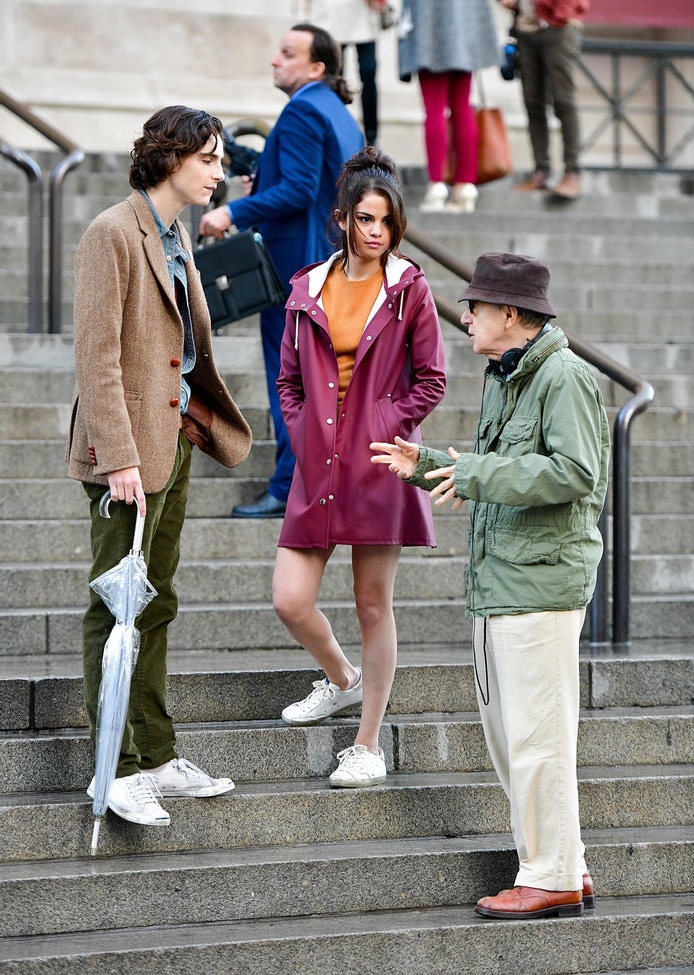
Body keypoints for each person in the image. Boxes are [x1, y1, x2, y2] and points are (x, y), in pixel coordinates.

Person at [371, 252, 610, 916]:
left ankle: (550, 872)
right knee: (514, 736)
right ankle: (566, 863)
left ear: (511, 313)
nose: (465, 314)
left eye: (475, 306)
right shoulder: (506, 375)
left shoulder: (564, 377)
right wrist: (432, 465)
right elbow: (499, 466)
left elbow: (572, 473)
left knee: (537, 737)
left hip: (540, 583)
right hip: (501, 580)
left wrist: (470, 473)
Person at [67, 106, 252, 827]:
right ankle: (113, 767)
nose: (219, 171)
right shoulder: (113, 232)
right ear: (172, 158)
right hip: (127, 452)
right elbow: (98, 356)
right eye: (208, 158)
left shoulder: (173, 234)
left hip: (172, 437)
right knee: (116, 603)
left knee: (157, 597)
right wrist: (118, 457)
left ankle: (156, 753)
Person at [273, 146, 447, 788]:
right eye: (366, 220)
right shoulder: (306, 287)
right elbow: (289, 380)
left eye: (386, 223)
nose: (376, 232)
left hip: (378, 462)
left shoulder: (409, 288)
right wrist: (299, 432)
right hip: (318, 463)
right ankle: (342, 680)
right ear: (344, 218)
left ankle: (367, 744)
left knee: (373, 604)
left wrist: (382, 425)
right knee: (290, 601)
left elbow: (432, 379)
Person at [199, 24, 364, 518]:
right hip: (327, 263)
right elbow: (312, 187)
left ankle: (290, 484)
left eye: (288, 54)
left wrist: (230, 212)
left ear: (316, 68)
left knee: (290, 380)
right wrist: (263, 176)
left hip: (295, 270)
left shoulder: (302, 110)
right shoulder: (337, 113)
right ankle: (312, 483)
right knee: (313, 380)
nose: (275, 60)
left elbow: (296, 190)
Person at [397, 0, 499, 212]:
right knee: (462, 108)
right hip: (464, 27)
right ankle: (465, 185)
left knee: (434, 111)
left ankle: (436, 184)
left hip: (428, 26)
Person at [498, 0, 589, 199]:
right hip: (525, 28)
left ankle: (573, 172)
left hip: (559, 24)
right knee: (533, 102)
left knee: (563, 101)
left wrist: (562, 14)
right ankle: (541, 171)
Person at [295, 0, 395, 146]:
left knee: (368, 74)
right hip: (331, 15)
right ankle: (336, 132)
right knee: (334, 79)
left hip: (365, 14)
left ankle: (372, 138)